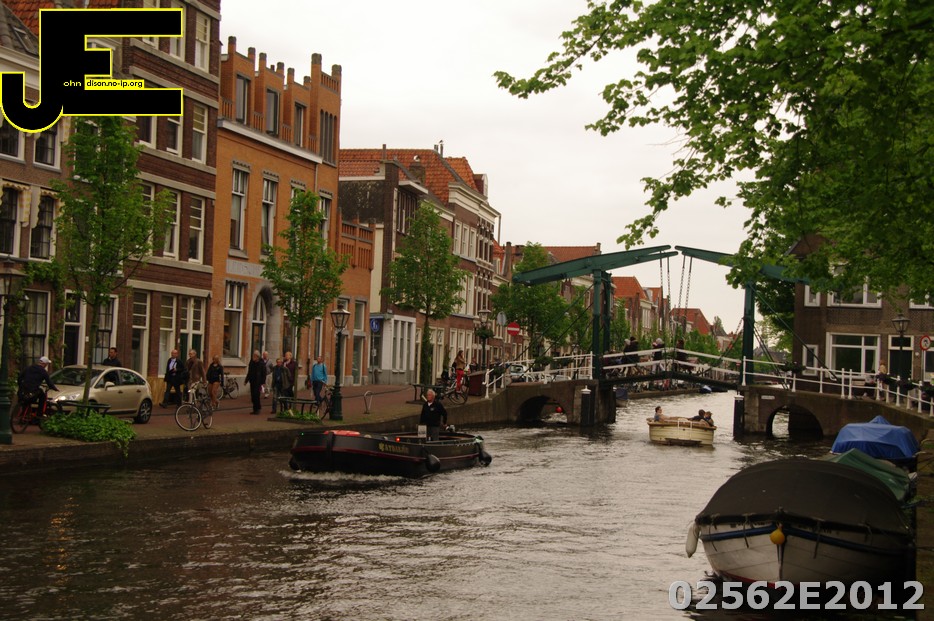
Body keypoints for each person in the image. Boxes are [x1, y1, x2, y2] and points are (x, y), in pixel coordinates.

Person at [244, 350, 267, 415]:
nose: (253, 357)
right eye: (253, 355)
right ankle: (254, 409)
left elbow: (264, 373)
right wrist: (246, 380)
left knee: (256, 395)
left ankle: (258, 408)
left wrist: (263, 382)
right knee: (253, 396)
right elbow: (249, 372)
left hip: (258, 382)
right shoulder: (251, 362)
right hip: (252, 381)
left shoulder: (261, 363)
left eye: (254, 356)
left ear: (257, 356)